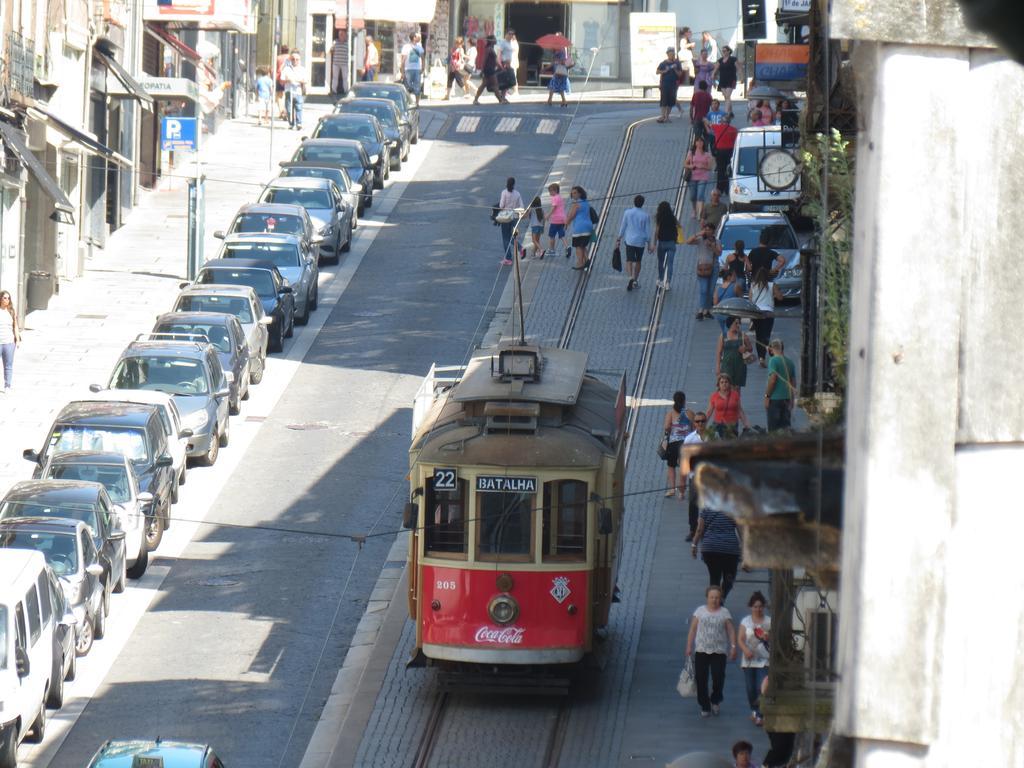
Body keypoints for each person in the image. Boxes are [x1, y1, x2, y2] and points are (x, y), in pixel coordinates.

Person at [684, 585, 736, 718]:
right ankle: (704, 704)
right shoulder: (700, 611)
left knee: (718, 677)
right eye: (712, 597)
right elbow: (693, 629)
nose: (714, 600)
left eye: (717, 597)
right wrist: (689, 646)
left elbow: (730, 630)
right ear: (707, 598)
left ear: (721, 599)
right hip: (702, 649)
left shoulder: (725, 612)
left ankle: (715, 700)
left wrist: (733, 647)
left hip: (719, 650)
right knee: (701, 678)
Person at [692, 506, 742, 601]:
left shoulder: (706, 508)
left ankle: (715, 600)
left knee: (714, 577)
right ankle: (721, 598)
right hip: (730, 549)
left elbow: (699, 530)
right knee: (729, 578)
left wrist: (694, 545)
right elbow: (741, 529)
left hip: (710, 548)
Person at [738, 592, 771, 727]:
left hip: (765, 659)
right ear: (751, 607)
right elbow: (740, 638)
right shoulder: (746, 621)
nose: (758, 609)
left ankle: (760, 714)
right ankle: (754, 709)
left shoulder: (769, 621)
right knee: (750, 688)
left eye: (760, 606)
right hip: (749, 659)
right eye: (755, 606)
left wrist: (768, 638)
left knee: (760, 687)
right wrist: (745, 649)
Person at [616, 195, 652, 292]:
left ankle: (630, 277)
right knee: (638, 261)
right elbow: (648, 231)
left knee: (629, 260)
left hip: (630, 241)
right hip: (640, 242)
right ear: (643, 203)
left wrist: (619, 238)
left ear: (634, 202)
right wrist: (649, 244)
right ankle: (635, 280)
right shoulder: (645, 216)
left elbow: (623, 226)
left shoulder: (627, 213)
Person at [662, 391, 694, 498]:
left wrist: (674, 428)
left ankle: (672, 489)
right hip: (686, 443)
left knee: (671, 466)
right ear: (684, 400)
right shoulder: (689, 413)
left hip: (673, 444)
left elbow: (666, 427)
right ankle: (682, 492)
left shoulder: (671, 413)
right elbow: (694, 427)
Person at [686, 223, 721, 319]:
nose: (707, 231)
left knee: (710, 290)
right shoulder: (700, 240)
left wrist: (711, 246)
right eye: (706, 229)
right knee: (704, 289)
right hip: (702, 267)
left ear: (713, 231)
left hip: (714, 268)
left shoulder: (717, 241)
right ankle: (701, 310)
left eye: (709, 230)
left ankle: (706, 310)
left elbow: (719, 253)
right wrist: (698, 234)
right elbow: (688, 242)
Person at [749, 268, 783, 365]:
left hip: (757, 313)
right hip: (768, 313)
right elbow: (780, 297)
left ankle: (761, 357)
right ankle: (768, 353)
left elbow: (751, 301)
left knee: (759, 335)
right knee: (766, 335)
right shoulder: (772, 285)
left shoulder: (753, 285)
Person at [765, 338, 797, 431]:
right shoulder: (790, 362)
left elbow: (772, 380)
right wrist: (792, 399)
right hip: (786, 399)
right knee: (785, 429)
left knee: (773, 430)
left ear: (771, 349)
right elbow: (793, 382)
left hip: (775, 399)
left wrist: (767, 396)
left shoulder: (773, 361)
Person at [683, 412, 706, 540]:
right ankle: (693, 530)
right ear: (694, 424)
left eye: (703, 421)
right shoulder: (690, 439)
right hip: (694, 477)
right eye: (698, 421)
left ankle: (707, 529)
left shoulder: (713, 437)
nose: (700, 424)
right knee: (693, 504)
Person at [707, 372, 750, 436]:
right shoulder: (714, 396)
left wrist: (746, 423)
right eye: (722, 382)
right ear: (718, 384)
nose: (724, 384)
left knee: (731, 444)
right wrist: (703, 423)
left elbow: (740, 410)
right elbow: (709, 411)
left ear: (729, 384)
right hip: (718, 425)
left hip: (732, 426)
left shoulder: (735, 394)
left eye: (726, 382)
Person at [716, 316, 752, 391]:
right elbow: (719, 352)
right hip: (727, 365)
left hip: (739, 365)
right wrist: (718, 367)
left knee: (737, 389)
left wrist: (745, 349)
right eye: (736, 323)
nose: (738, 325)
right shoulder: (723, 336)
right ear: (730, 324)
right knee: (726, 387)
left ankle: (736, 402)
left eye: (739, 323)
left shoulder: (742, 335)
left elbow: (750, 348)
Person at [564, 186, 594, 271]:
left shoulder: (576, 204)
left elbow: (571, 216)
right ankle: (587, 260)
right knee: (583, 246)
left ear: (580, 193)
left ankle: (580, 263)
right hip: (588, 227)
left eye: (575, 193)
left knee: (578, 246)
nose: (573, 195)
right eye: (572, 193)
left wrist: (566, 223)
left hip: (579, 228)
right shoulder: (586, 202)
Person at [684, 135, 714, 220]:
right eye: (697, 141)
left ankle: (700, 213)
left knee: (700, 195)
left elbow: (710, 167)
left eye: (701, 141)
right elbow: (685, 164)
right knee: (693, 196)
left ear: (704, 143)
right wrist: (691, 166)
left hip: (703, 177)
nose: (699, 143)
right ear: (695, 143)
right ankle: (694, 210)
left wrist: (703, 167)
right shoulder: (691, 153)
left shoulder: (707, 154)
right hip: (692, 177)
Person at [653, 200, 681, 290]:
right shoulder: (672, 218)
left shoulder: (659, 218)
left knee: (661, 262)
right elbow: (679, 226)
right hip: (671, 243)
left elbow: (656, 232)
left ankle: (660, 279)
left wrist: (654, 243)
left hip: (662, 243)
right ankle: (668, 282)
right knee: (670, 263)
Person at [497, 177, 524, 266]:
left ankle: (508, 258)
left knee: (505, 237)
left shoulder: (504, 192)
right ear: (514, 184)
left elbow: (501, 205)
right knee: (511, 236)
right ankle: (520, 248)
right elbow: (521, 206)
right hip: (514, 216)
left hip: (505, 216)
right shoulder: (517, 194)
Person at [709, 112, 738, 193]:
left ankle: (720, 188)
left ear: (722, 121)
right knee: (729, 169)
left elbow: (709, 124)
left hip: (720, 152)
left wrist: (704, 119)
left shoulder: (717, 127)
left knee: (721, 170)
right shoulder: (734, 130)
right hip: (730, 152)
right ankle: (728, 188)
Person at [656, 48, 684, 123]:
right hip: (665, 84)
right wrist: (665, 71)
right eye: (671, 54)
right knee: (663, 100)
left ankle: (667, 116)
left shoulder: (677, 63)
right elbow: (657, 71)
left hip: (673, 84)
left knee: (671, 101)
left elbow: (680, 74)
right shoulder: (663, 63)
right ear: (667, 54)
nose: (672, 56)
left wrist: (675, 69)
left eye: (673, 54)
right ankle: (662, 116)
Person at [473, 37, 504, 104]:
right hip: (489, 69)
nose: (496, 40)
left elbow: (494, 61)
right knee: (495, 84)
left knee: (484, 84)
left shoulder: (491, 49)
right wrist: (482, 70)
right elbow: (484, 59)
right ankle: (500, 100)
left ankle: (475, 99)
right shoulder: (489, 49)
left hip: (489, 69)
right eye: (494, 39)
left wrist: (499, 66)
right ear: (491, 41)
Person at [0, 289, 20, 393]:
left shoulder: (11, 311)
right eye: (4, 298)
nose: (7, 300)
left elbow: (15, 326)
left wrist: (17, 340)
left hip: (9, 342)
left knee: (8, 365)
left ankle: (7, 385)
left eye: (8, 298)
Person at [284, 51, 308, 130]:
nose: (295, 61)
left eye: (297, 59)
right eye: (293, 59)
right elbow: (281, 78)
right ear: (290, 59)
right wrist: (287, 79)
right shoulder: (287, 68)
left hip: (298, 91)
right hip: (289, 91)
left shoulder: (302, 69)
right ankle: (291, 124)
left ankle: (299, 123)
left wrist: (298, 80)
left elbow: (306, 80)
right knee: (289, 108)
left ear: (299, 60)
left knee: (298, 107)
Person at [713, 268, 739, 336]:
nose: (735, 278)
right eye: (734, 276)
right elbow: (740, 300)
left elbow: (715, 303)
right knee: (730, 333)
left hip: (720, 314)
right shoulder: (735, 286)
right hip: (731, 313)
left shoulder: (718, 288)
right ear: (728, 277)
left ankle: (724, 344)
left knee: (724, 333)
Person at [713, 46, 740, 114]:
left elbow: (739, 68)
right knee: (726, 97)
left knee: (727, 96)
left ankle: (726, 112)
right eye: (723, 51)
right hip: (722, 80)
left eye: (725, 51)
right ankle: (730, 111)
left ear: (728, 51)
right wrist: (712, 75)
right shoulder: (720, 60)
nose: (724, 52)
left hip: (731, 79)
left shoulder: (733, 59)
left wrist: (742, 77)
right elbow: (715, 69)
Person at [400, 32, 424, 105]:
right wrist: (402, 71)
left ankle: (417, 103)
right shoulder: (406, 47)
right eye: (417, 36)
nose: (419, 38)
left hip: (417, 69)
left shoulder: (419, 47)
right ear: (414, 38)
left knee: (417, 87)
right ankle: (407, 103)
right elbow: (403, 59)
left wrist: (423, 67)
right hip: (408, 69)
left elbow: (423, 58)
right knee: (407, 87)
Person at [546, 183, 569, 258]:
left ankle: (552, 250)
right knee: (561, 235)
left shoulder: (554, 198)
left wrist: (548, 215)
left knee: (552, 236)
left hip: (555, 220)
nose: (550, 193)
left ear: (555, 190)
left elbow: (554, 207)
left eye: (550, 191)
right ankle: (567, 247)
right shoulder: (559, 197)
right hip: (562, 219)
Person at [330, 29, 348, 96]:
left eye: (342, 35)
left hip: (344, 63)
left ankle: (346, 91)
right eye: (340, 35)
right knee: (335, 77)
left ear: (345, 35)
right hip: (336, 63)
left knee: (345, 78)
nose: (341, 36)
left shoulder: (347, 43)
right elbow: (331, 50)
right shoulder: (335, 42)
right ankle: (334, 91)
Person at [274, 45, 290, 118]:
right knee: (287, 95)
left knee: (279, 96)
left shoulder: (278, 58)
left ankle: (281, 111)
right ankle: (286, 110)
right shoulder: (290, 57)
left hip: (279, 77)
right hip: (287, 78)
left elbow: (275, 67)